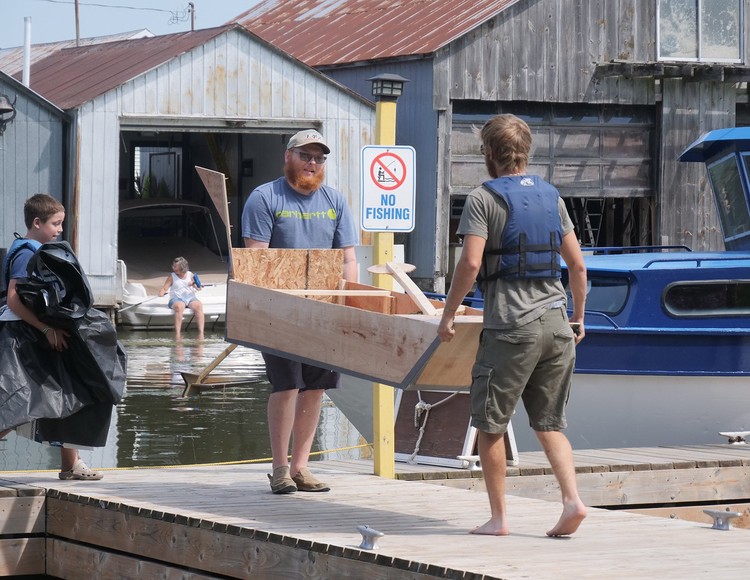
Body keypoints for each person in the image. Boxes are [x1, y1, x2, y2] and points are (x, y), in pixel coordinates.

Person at [437, 114, 588, 537]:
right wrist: (578, 318)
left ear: (489, 153)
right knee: (549, 424)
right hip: (557, 325)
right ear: (526, 150)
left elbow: (470, 263)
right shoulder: (551, 196)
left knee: (490, 425)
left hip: (511, 329)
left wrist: (448, 315)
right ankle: (572, 499)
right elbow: (577, 266)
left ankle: (499, 519)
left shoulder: (483, 199)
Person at [242, 129, 358, 494]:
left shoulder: (335, 201)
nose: (312, 163)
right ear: (288, 157)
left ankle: (301, 467)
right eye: (306, 156)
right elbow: (257, 258)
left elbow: (348, 258)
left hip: (324, 311)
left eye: (319, 158)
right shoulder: (265, 197)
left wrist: (347, 304)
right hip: (280, 312)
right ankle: (278, 469)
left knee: (316, 388)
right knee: (287, 384)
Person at [0, 194, 104, 480]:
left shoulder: (41, 250)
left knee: (65, 393)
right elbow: (13, 300)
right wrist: (46, 329)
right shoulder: (26, 253)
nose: (60, 229)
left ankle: (71, 464)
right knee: (21, 405)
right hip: (23, 341)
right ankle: (72, 464)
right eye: (55, 224)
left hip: (41, 337)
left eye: (61, 224)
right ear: (37, 222)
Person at [158, 256, 205, 340]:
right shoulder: (172, 276)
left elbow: (199, 288)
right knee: (179, 306)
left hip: (190, 297)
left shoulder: (191, 275)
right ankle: (178, 334)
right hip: (176, 298)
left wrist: (194, 285)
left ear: (182, 267)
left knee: (198, 305)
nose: (174, 268)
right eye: (173, 266)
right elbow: (165, 288)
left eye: (176, 266)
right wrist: (161, 293)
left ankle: (201, 333)